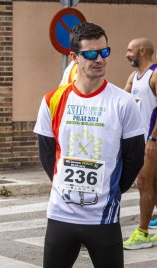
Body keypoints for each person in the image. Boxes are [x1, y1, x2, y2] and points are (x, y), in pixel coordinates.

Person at [34, 22, 145, 267]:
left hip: (103, 217)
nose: (100, 59)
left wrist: (113, 189)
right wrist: (64, 183)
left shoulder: (123, 102)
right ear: (74, 57)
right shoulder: (52, 100)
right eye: (91, 53)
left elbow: (134, 157)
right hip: (61, 215)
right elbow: (46, 153)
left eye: (104, 52)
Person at [122, 38, 157, 249]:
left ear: (142, 51)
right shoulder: (134, 77)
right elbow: (120, 99)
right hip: (140, 140)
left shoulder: (154, 74)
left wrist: (153, 138)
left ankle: (143, 232)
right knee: (153, 184)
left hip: (151, 141)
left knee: (144, 184)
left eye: (130, 50)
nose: (127, 54)